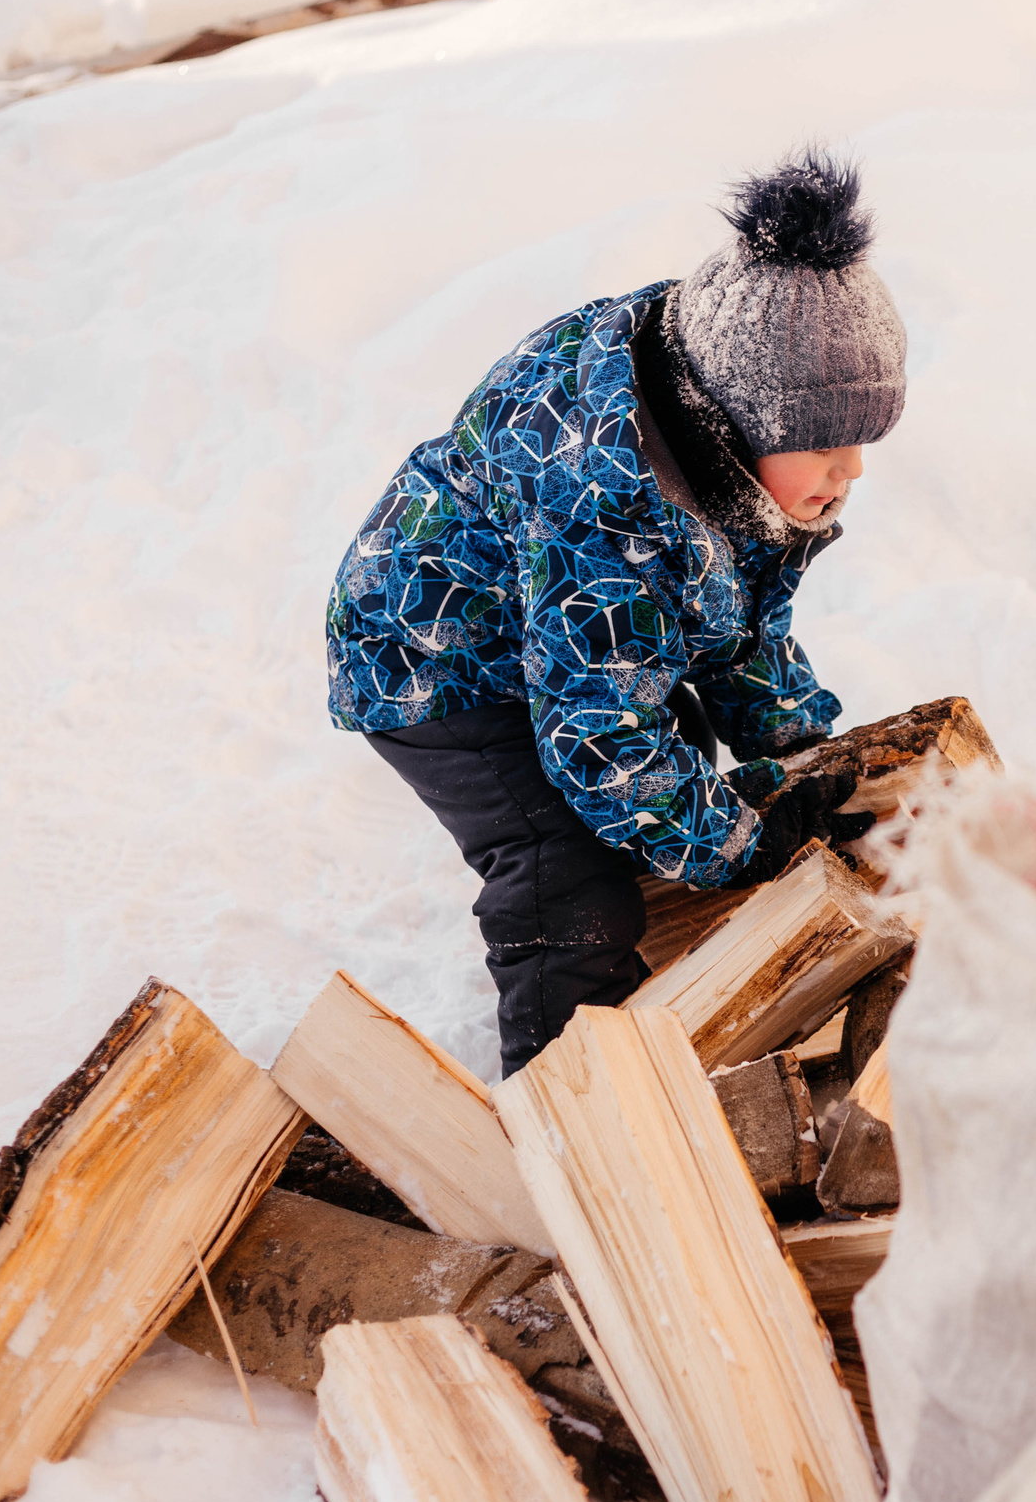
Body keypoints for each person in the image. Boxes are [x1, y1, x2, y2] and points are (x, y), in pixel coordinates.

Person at [325, 149, 904, 1073]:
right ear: (742, 419)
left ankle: (669, 985)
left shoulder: (711, 423)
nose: (854, 470)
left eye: (865, 441)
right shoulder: (609, 498)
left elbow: (734, 625)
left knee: (668, 777)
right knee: (569, 874)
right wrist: (745, 841)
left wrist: (797, 756)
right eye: (826, 443)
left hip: (562, 632)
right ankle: (571, 1104)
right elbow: (600, 743)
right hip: (437, 662)